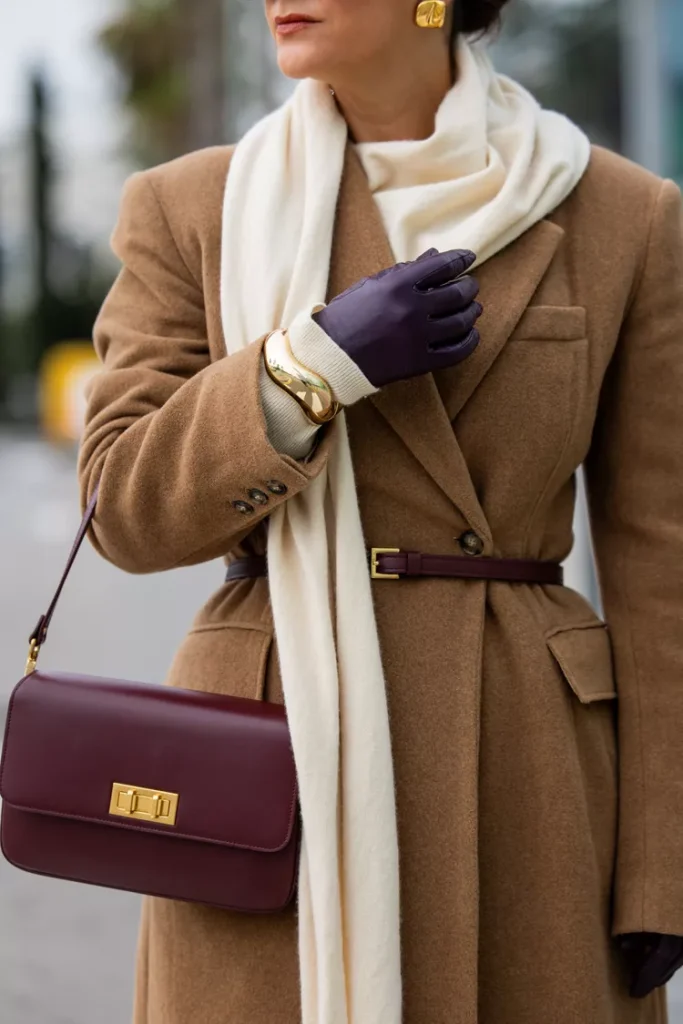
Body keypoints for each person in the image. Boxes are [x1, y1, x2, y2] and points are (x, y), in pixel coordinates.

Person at [79, 0, 683, 1021]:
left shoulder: (622, 215)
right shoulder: (192, 208)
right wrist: (305, 368)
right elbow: (123, 508)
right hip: (270, 773)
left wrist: (658, 857)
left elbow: (659, 562)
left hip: (529, 777)